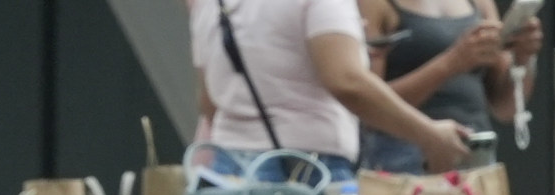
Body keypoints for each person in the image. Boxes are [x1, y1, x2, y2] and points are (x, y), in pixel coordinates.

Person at [194, 0, 468, 182]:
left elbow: (211, 102)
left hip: (228, 173)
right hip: (304, 175)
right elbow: (347, 81)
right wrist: (430, 135)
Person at [356, 0, 532, 171]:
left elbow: (506, 108)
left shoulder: (481, 4)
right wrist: (452, 63)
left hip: (476, 156)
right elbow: (367, 106)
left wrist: (523, 57)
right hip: (403, 160)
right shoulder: (374, 4)